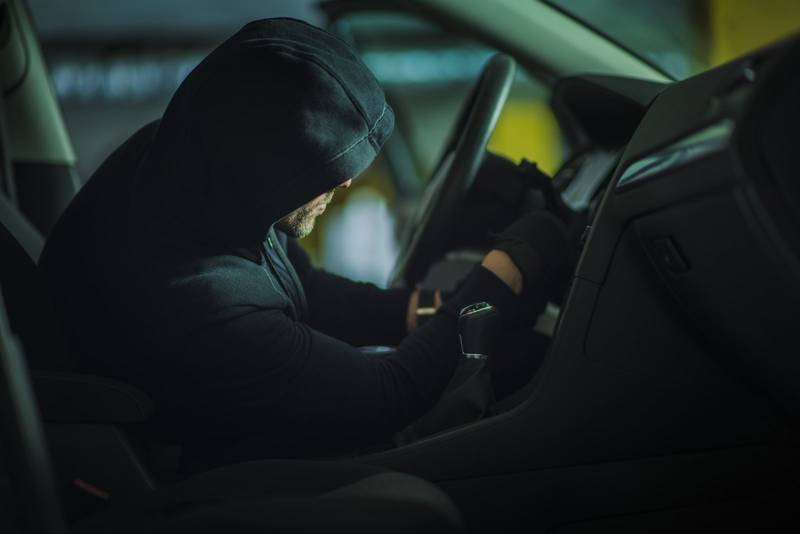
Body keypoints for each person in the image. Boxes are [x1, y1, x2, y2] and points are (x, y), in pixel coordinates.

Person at [40, 18, 569, 472]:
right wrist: (506, 271)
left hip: (215, 408)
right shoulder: (202, 302)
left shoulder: (193, 165)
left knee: (515, 356)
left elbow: (305, 287)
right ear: (265, 166)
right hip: (203, 473)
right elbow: (389, 395)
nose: (347, 182)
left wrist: (421, 309)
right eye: (328, 163)